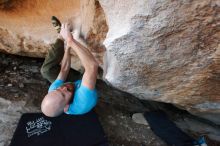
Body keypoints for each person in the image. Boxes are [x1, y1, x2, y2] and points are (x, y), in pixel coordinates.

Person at [40, 17, 99, 117]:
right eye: (63, 95)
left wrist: (67, 46)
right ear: (66, 107)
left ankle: (60, 36)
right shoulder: (82, 101)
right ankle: (77, 42)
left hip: (75, 83)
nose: (63, 88)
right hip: (85, 86)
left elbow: (63, 70)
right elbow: (93, 66)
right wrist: (71, 40)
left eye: (58, 89)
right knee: (91, 66)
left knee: (46, 71)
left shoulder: (54, 92)